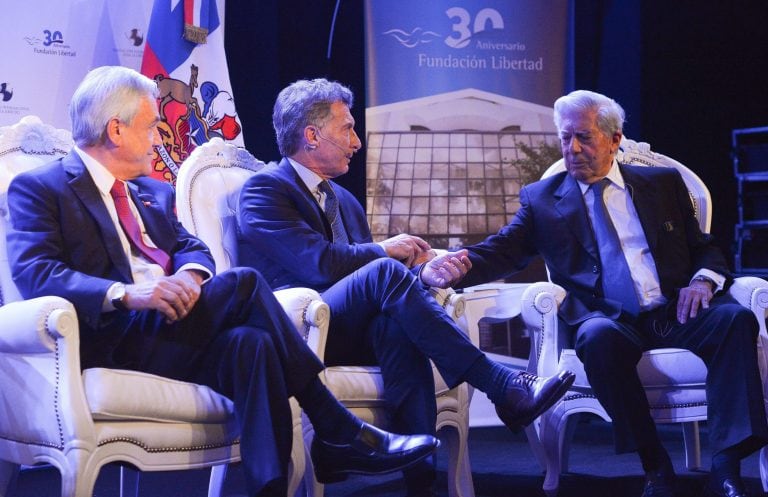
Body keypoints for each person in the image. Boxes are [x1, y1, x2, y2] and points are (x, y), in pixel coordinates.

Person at [5, 66, 441, 497]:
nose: (160, 137)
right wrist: (128, 295)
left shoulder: (152, 192)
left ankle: (270, 489)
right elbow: (35, 273)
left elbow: (193, 247)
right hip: (112, 332)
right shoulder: (40, 188)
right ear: (116, 130)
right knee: (247, 283)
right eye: (153, 126)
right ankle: (335, 426)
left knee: (254, 345)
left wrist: (190, 276)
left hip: (173, 325)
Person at [236, 78, 575, 497]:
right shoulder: (264, 191)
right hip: (298, 337)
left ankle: (421, 480)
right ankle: (502, 385)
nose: (357, 142)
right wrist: (385, 250)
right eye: (347, 129)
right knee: (382, 273)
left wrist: (422, 278)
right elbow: (319, 265)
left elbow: (364, 280)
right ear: (311, 135)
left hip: (348, 327)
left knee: (396, 327)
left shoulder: (342, 198)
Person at [435, 90, 767, 497]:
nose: (572, 149)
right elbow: (502, 250)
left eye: (584, 137)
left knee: (736, 318)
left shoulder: (662, 184)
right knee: (596, 338)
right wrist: (455, 265)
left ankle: (726, 464)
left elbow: (705, 246)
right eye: (565, 137)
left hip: (674, 310)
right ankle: (654, 465)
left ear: (614, 139)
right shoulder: (542, 200)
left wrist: (703, 280)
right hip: (607, 318)